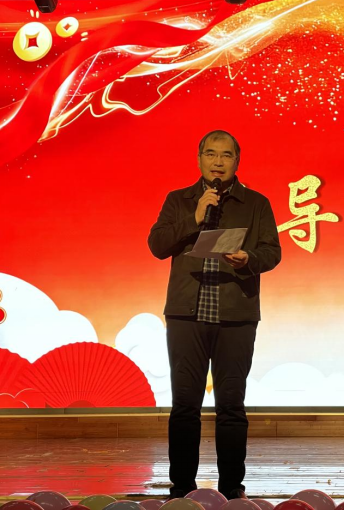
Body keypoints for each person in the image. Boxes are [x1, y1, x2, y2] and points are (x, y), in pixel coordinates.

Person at [148, 130, 282, 499]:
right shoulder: (179, 200)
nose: (218, 162)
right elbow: (157, 245)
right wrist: (194, 217)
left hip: (235, 316)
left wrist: (248, 259)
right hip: (186, 316)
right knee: (185, 405)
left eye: (226, 155)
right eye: (211, 154)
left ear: (237, 161)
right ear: (199, 159)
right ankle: (181, 489)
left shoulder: (256, 203)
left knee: (231, 405)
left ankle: (232, 489)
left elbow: (272, 251)